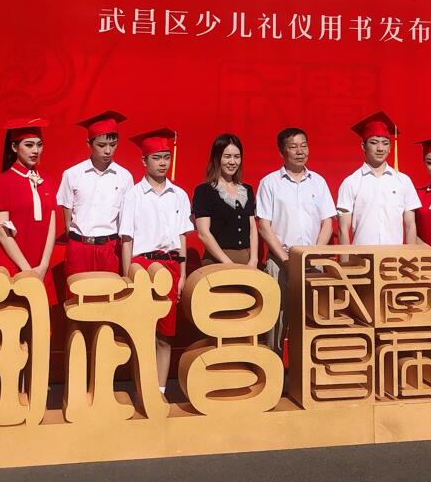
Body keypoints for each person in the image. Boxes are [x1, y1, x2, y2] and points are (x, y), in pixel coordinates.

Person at [119, 128, 191, 397]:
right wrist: (127, 275)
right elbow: (126, 239)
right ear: (144, 161)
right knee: (143, 332)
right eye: (156, 158)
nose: (162, 163)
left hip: (170, 267)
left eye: (166, 157)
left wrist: (182, 274)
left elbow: (182, 237)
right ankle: (143, 389)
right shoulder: (133, 195)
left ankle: (159, 391)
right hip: (142, 266)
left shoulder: (179, 195)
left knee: (164, 334)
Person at [257, 127, 336, 354]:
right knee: (277, 318)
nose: (300, 151)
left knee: (312, 317)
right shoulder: (270, 183)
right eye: (293, 147)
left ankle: (308, 369)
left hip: (313, 262)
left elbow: (327, 223)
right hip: (280, 261)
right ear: (282, 151)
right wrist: (285, 259)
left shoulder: (318, 182)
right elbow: (264, 226)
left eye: (304, 146)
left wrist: (315, 254)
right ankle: (275, 367)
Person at [0, 118, 57, 308]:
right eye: (29, 145)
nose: (35, 150)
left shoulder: (46, 180)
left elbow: (52, 226)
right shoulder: (4, 181)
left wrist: (43, 266)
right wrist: (28, 272)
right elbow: (2, 233)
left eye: (39, 145)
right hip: (14, 265)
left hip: (40, 267)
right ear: (14, 147)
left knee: (40, 321)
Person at [57, 110, 132, 278]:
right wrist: (76, 244)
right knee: (76, 291)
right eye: (101, 145)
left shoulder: (125, 177)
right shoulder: (72, 174)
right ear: (89, 144)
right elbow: (67, 220)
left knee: (109, 291)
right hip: (79, 246)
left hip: (109, 248)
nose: (108, 151)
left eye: (113, 145)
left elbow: (125, 219)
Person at [336, 111, 420, 245]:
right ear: (363, 146)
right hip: (362, 255)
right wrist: (345, 259)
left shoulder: (403, 181)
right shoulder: (351, 182)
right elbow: (343, 229)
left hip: (395, 256)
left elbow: (410, 226)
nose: (380, 148)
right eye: (374, 143)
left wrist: (411, 257)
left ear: (390, 147)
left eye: (385, 143)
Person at [193, 133, 257, 267]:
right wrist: (228, 263)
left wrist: (254, 259)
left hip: (247, 260)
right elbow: (204, 233)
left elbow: (252, 228)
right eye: (227, 156)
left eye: (237, 157)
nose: (232, 162)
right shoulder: (204, 191)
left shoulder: (247, 190)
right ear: (217, 158)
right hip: (218, 261)